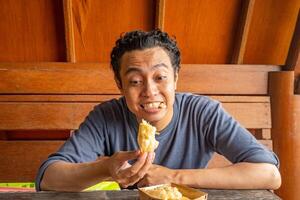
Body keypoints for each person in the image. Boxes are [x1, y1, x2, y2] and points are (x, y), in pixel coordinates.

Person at [36, 29, 281, 192]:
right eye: (135, 81)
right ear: (120, 85)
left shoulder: (203, 113)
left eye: (160, 77)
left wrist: (173, 177)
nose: (150, 92)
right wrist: (104, 169)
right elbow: (48, 178)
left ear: (175, 77)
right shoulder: (107, 116)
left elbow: (269, 174)